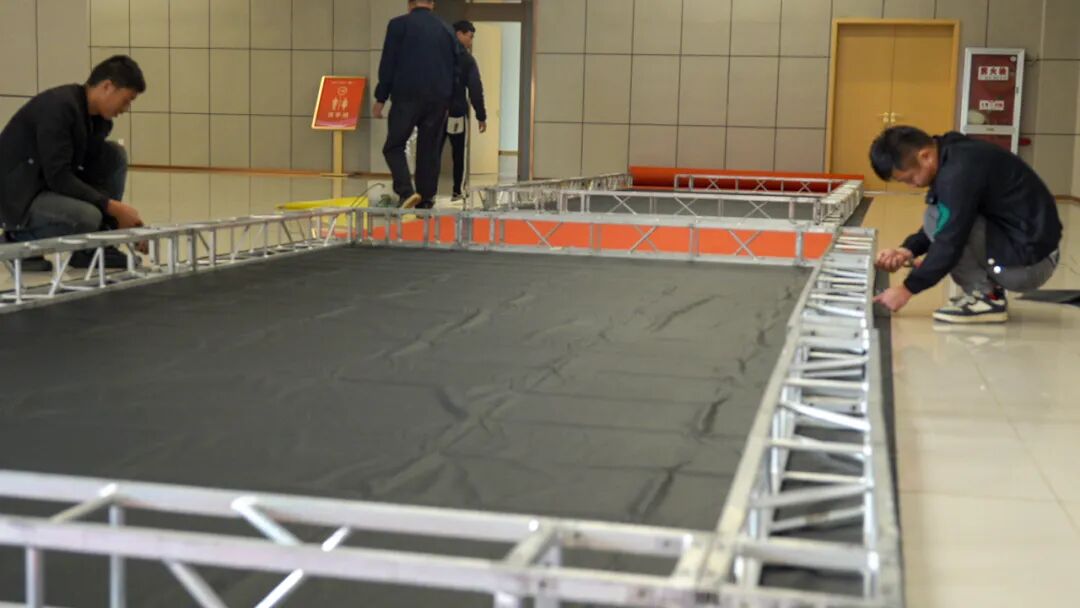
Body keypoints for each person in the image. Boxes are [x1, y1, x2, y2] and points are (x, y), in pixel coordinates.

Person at [870, 126, 1062, 324]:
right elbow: (947, 221)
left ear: (925, 156)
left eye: (910, 178)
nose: (912, 185)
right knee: (939, 216)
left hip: (1028, 267)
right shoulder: (955, 155)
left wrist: (907, 289)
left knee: (938, 218)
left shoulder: (958, 171)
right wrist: (908, 250)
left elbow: (949, 238)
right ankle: (987, 294)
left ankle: (987, 298)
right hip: (1031, 254)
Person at [0, 55, 146, 271]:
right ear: (107, 87)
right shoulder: (59, 108)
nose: (126, 109)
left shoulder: (98, 121)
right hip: (19, 198)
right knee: (86, 216)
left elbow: (87, 177)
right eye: (126, 100)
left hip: (45, 186)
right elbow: (59, 176)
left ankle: (90, 248)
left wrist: (120, 224)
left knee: (114, 155)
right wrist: (112, 209)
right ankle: (16, 240)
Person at [373, 0, 459, 210]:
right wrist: (451, 102)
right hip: (438, 99)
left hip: (407, 96)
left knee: (394, 146)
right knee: (429, 150)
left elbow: (388, 62)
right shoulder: (446, 29)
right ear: (432, 4)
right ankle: (426, 200)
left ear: (409, 4)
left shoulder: (398, 25)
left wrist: (381, 97)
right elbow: (456, 68)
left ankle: (407, 192)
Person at [445, 20, 488, 201]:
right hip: (456, 112)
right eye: (469, 37)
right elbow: (475, 89)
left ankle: (426, 194)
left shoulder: (438, 55)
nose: (471, 41)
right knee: (458, 153)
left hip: (434, 112)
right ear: (459, 34)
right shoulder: (467, 60)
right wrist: (481, 115)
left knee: (430, 151)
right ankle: (457, 191)